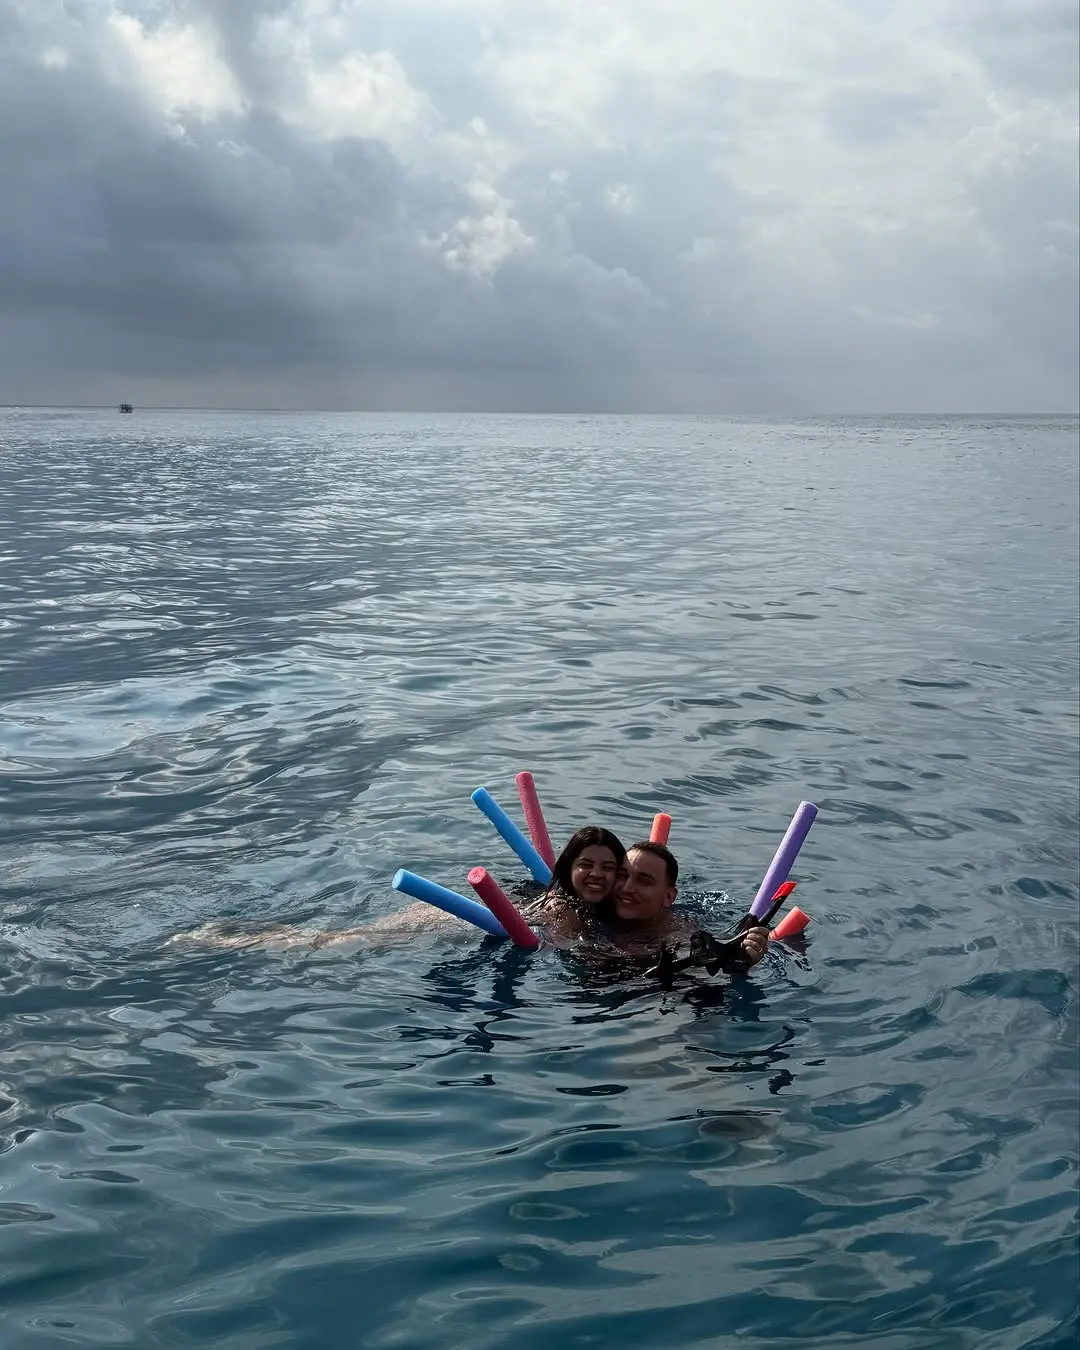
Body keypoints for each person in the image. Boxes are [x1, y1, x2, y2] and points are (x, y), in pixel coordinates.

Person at [169, 825, 627, 953]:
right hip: (460, 922)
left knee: (348, 937)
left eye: (608, 868)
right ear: (567, 869)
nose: (596, 875)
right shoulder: (568, 908)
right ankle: (235, 941)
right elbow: (564, 946)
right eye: (585, 865)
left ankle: (248, 935)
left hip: (483, 920)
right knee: (345, 943)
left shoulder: (572, 899)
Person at [607, 840, 770, 971]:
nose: (627, 888)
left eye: (644, 881)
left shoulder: (679, 937)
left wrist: (741, 960)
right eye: (622, 875)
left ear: (668, 897)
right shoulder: (593, 912)